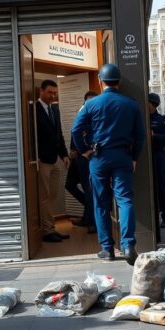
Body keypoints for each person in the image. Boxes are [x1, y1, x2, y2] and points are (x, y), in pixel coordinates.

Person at [71, 64, 145, 265]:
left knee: (101, 203)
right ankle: (128, 245)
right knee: (125, 200)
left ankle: (107, 249)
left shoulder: (91, 104)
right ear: (118, 81)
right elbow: (140, 135)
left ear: (100, 80)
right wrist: (134, 157)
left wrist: (85, 150)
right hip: (123, 155)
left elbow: (75, 131)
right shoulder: (131, 104)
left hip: (99, 157)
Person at [35, 79, 71, 243]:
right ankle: (47, 231)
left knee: (53, 195)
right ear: (41, 91)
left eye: (55, 93)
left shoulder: (54, 109)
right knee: (44, 196)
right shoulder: (33, 109)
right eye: (50, 92)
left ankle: (51, 227)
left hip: (56, 159)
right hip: (42, 160)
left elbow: (59, 134)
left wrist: (64, 155)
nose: (53, 95)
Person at [66, 90, 99, 234]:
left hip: (88, 157)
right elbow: (75, 131)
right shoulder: (82, 111)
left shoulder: (97, 115)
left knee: (89, 190)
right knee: (70, 185)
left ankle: (91, 221)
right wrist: (73, 148)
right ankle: (89, 212)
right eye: (88, 101)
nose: (90, 103)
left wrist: (85, 151)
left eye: (93, 100)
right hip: (78, 156)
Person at [148, 93, 165, 234]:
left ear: (152, 104)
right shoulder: (142, 117)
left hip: (158, 155)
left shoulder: (161, 119)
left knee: (161, 186)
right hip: (145, 156)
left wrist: (154, 136)